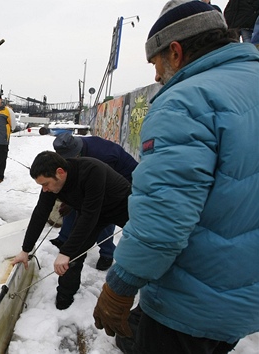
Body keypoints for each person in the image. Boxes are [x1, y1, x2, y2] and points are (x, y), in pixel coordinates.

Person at [93, 1, 259, 353]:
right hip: (244, 299)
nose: (156, 76)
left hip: (191, 304)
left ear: (176, 51)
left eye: (156, 64)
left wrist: (120, 284)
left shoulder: (184, 101)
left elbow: (163, 215)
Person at [12, 151, 131, 310]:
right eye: (41, 186)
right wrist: (25, 249)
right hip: (92, 211)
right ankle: (64, 300)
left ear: (59, 173)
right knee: (73, 255)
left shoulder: (91, 170)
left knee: (145, 243)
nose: (45, 189)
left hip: (122, 205)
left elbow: (90, 215)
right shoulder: (51, 181)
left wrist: (65, 251)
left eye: (45, 184)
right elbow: (41, 212)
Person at [51, 132, 138, 271]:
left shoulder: (100, 157)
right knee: (74, 205)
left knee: (100, 214)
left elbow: (100, 194)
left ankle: (107, 253)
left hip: (124, 183)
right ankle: (65, 238)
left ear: (77, 153)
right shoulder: (72, 147)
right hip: (99, 182)